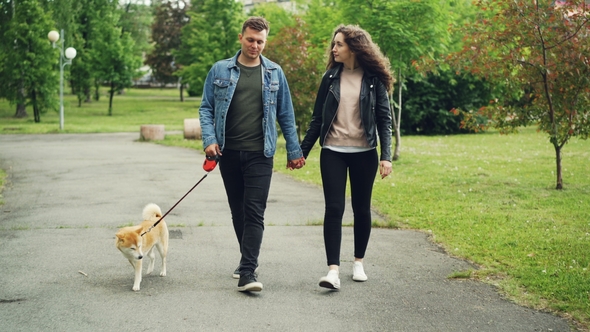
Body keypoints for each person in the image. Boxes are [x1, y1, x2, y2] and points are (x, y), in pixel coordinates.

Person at [199, 16, 305, 292]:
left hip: (261, 154)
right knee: (238, 212)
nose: (255, 45)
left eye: (260, 41)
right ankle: (248, 259)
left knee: (254, 211)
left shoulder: (274, 72)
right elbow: (206, 108)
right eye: (250, 40)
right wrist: (209, 140)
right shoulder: (220, 70)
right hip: (229, 153)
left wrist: (294, 151)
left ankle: (248, 271)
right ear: (241, 38)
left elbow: (286, 114)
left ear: (265, 41)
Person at [300, 24, 394, 290]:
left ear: (353, 47)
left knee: (361, 209)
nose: (334, 49)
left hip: (364, 153)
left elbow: (383, 120)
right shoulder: (330, 78)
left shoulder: (373, 79)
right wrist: (301, 152)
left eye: (338, 44)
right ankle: (333, 271)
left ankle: (358, 262)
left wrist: (386, 156)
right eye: (334, 44)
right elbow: (317, 119)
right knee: (334, 209)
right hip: (333, 152)